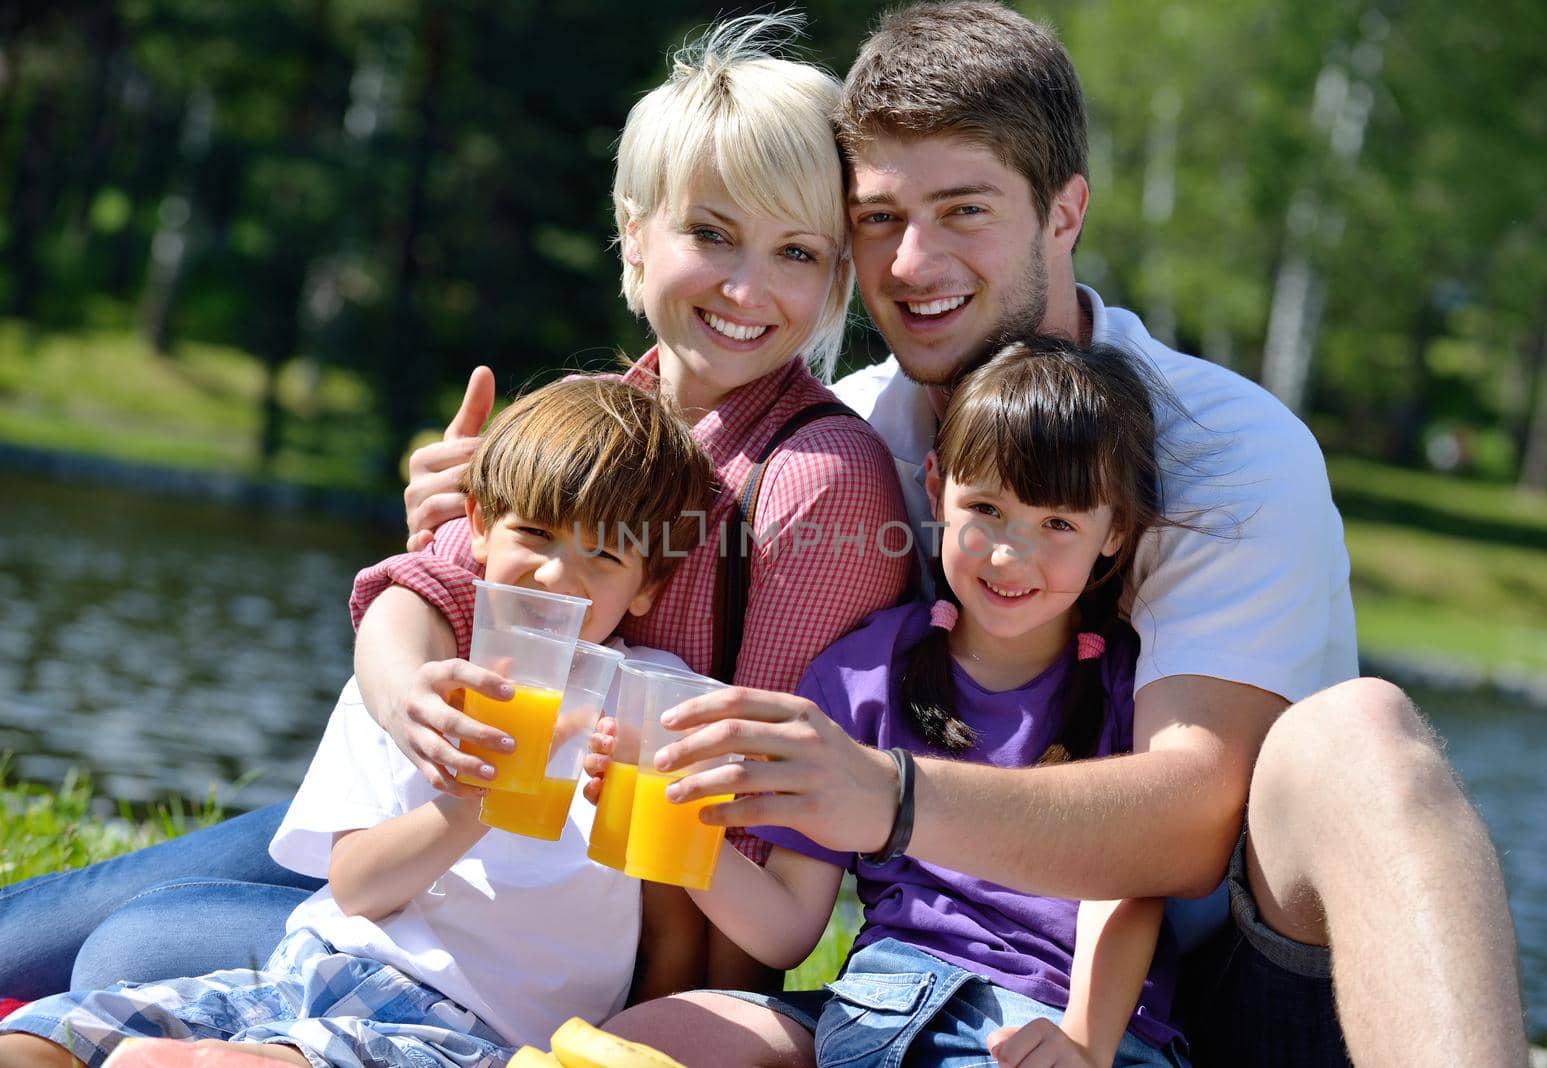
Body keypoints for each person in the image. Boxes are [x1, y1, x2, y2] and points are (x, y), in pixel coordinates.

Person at [596, 4, 1524, 1067]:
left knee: (1360, 736)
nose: (912, 262)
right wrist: (485, 520)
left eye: (963, 210)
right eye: (881, 217)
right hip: (919, 985)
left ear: (1064, 211)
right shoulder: (850, 441)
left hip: (1218, 994)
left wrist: (890, 797)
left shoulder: (1228, 445)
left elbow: (1187, 822)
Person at [0, 13, 911, 1001]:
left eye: (797, 253)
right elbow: (425, 585)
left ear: (834, 279)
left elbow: (761, 825)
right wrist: (410, 697)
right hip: (440, 830)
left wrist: (667, 1034)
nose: (748, 286)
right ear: (635, 229)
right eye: (711, 233)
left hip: (556, 936)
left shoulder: (819, 478)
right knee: (39, 932)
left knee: (132, 950)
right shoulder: (596, 414)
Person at [0, 375, 714, 1067]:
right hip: (311, 971)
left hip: (474, 1033)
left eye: (605, 553)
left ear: (648, 585)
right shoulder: (415, 680)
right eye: (535, 533)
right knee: (44, 1036)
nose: (558, 576)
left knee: (266, 1057)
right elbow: (358, 888)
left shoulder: (649, 710)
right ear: (479, 530)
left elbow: (672, 933)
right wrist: (474, 806)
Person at [601, 338, 1190, 1068]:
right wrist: (668, 810)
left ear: (1118, 532)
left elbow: (1129, 885)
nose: (1011, 554)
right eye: (987, 508)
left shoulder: (1132, 687)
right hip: (881, 1008)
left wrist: (1086, 1043)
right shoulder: (863, 672)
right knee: (652, 1036)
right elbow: (788, 929)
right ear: (937, 489)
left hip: (1055, 1022)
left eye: (1059, 525)